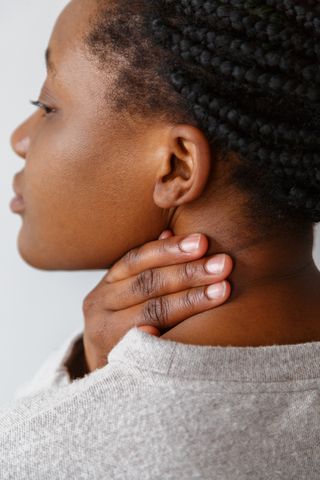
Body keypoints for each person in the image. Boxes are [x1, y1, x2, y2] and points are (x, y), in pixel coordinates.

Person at [1, 0, 320, 478]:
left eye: (47, 107)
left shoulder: (61, 456)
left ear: (178, 166)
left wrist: (81, 393)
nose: (19, 140)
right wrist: (94, 368)